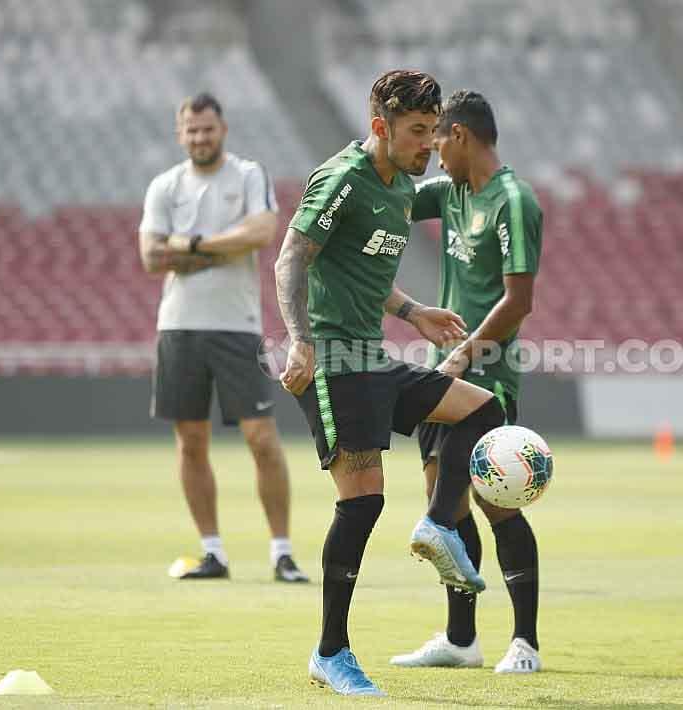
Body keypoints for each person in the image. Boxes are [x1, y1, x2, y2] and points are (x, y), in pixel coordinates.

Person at [274, 70, 506, 697]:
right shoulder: (342, 179)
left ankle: (436, 524)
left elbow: (364, 269)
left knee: (483, 410)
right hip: (333, 362)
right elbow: (293, 258)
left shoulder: (402, 184)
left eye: (434, 132)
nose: (429, 145)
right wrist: (298, 338)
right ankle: (331, 652)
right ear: (381, 127)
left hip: (373, 357)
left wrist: (414, 313)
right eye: (417, 132)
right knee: (363, 502)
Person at [390, 90, 544, 675]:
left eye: (436, 139)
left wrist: (464, 355)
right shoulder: (450, 192)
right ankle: (461, 641)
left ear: (459, 135)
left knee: (495, 502)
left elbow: (519, 298)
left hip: (486, 372)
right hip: (442, 368)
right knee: (449, 509)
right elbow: (394, 195)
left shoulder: (514, 200)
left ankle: (524, 642)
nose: (430, 151)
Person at [138, 92, 308, 584]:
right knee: (191, 440)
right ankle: (213, 552)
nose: (199, 138)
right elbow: (151, 257)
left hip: (238, 326)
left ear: (223, 129)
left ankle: (281, 552)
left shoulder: (248, 175)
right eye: (191, 130)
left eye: (207, 129)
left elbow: (260, 232)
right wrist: (220, 247)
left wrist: (190, 245)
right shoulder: (165, 185)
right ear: (180, 133)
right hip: (179, 324)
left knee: (261, 438)